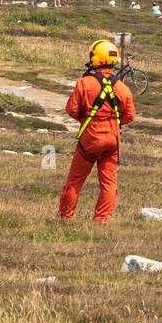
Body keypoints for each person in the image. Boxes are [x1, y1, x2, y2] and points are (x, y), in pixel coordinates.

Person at [58, 39, 137, 223]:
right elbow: (130, 116)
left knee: (75, 181)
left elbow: (71, 109)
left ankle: (65, 218)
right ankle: (101, 221)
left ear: (96, 58)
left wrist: (87, 119)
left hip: (90, 139)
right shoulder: (123, 88)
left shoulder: (84, 83)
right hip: (113, 140)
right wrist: (113, 121)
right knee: (109, 184)